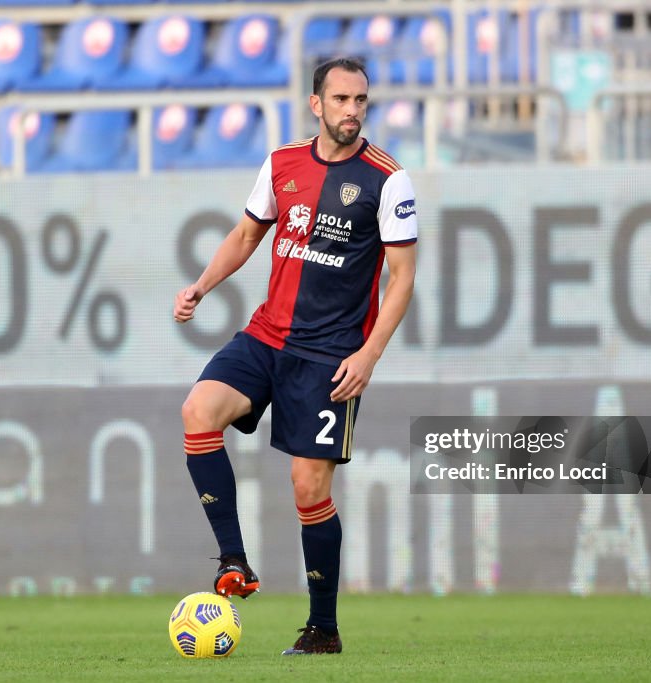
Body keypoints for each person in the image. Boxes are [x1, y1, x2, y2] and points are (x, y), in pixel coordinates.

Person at [173, 56, 418, 656]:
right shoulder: (282, 163)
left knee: (308, 487)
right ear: (317, 104)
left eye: (361, 100)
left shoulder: (389, 179)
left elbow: (403, 276)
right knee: (198, 412)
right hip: (267, 336)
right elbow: (246, 235)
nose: (352, 111)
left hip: (331, 354)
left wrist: (370, 355)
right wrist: (201, 286)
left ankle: (323, 629)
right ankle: (234, 562)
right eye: (340, 99)